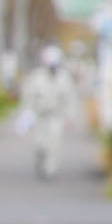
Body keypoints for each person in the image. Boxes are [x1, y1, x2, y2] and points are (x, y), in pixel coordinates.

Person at [22, 42, 74, 180]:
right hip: (40, 115)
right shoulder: (36, 77)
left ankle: (51, 168)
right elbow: (28, 97)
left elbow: (70, 98)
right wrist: (27, 115)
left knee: (55, 142)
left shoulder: (64, 77)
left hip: (56, 115)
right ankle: (41, 161)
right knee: (39, 144)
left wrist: (70, 116)